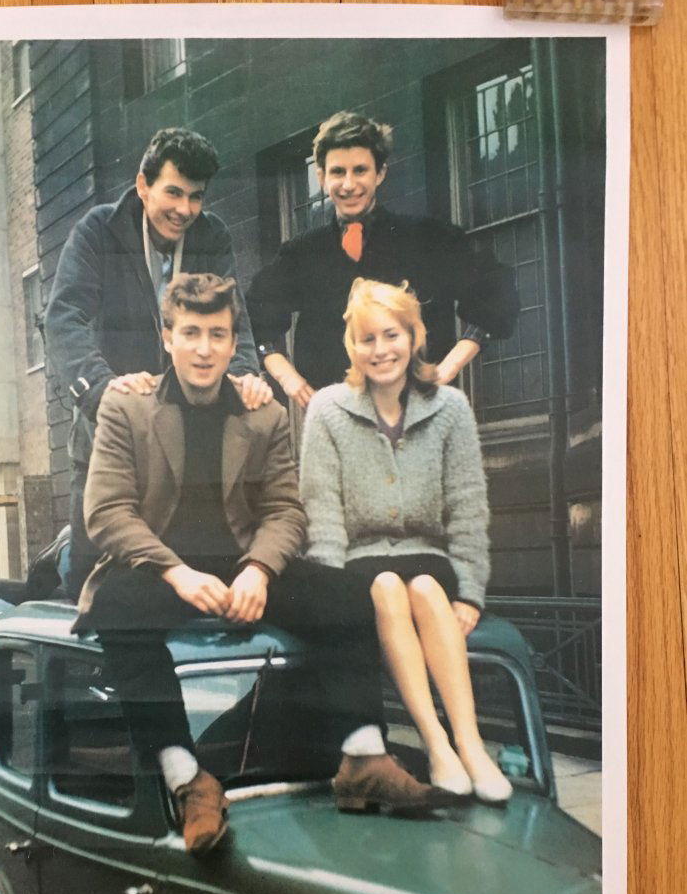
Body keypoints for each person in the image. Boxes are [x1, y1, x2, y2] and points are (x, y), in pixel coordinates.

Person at [75, 272, 457, 855]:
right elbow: (106, 511)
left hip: (243, 564)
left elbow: (284, 509)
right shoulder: (126, 406)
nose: (204, 348)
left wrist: (258, 568)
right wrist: (175, 571)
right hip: (159, 571)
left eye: (218, 334)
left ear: (234, 343)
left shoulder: (263, 411)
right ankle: (189, 780)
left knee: (348, 593)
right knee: (117, 607)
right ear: (167, 335)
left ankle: (361, 757)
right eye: (192, 333)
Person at [300, 278, 513, 804]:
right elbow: (321, 515)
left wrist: (469, 594)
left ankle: (471, 743)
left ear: (414, 336)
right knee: (391, 585)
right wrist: (332, 598)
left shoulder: (450, 407)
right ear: (353, 347)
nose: (381, 351)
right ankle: (436, 743)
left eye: (391, 335)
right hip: (360, 568)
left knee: (421, 587)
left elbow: (468, 507)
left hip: (431, 562)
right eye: (367, 340)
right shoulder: (326, 410)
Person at [45, 128, 270, 599]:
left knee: (184, 579)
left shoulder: (212, 234)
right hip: (111, 429)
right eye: (173, 192)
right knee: (91, 586)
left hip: (187, 434)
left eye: (196, 197)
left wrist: (246, 377)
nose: (184, 210)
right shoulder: (97, 230)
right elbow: (65, 318)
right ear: (143, 184)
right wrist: (103, 392)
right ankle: (65, 560)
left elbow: (236, 321)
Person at [247, 110, 519, 406]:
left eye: (360, 170)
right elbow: (253, 317)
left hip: (418, 411)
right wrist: (288, 378)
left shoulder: (427, 238)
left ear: (380, 173)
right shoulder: (301, 253)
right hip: (338, 419)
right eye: (338, 172)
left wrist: (448, 368)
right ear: (321, 177)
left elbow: (495, 290)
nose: (349, 185)